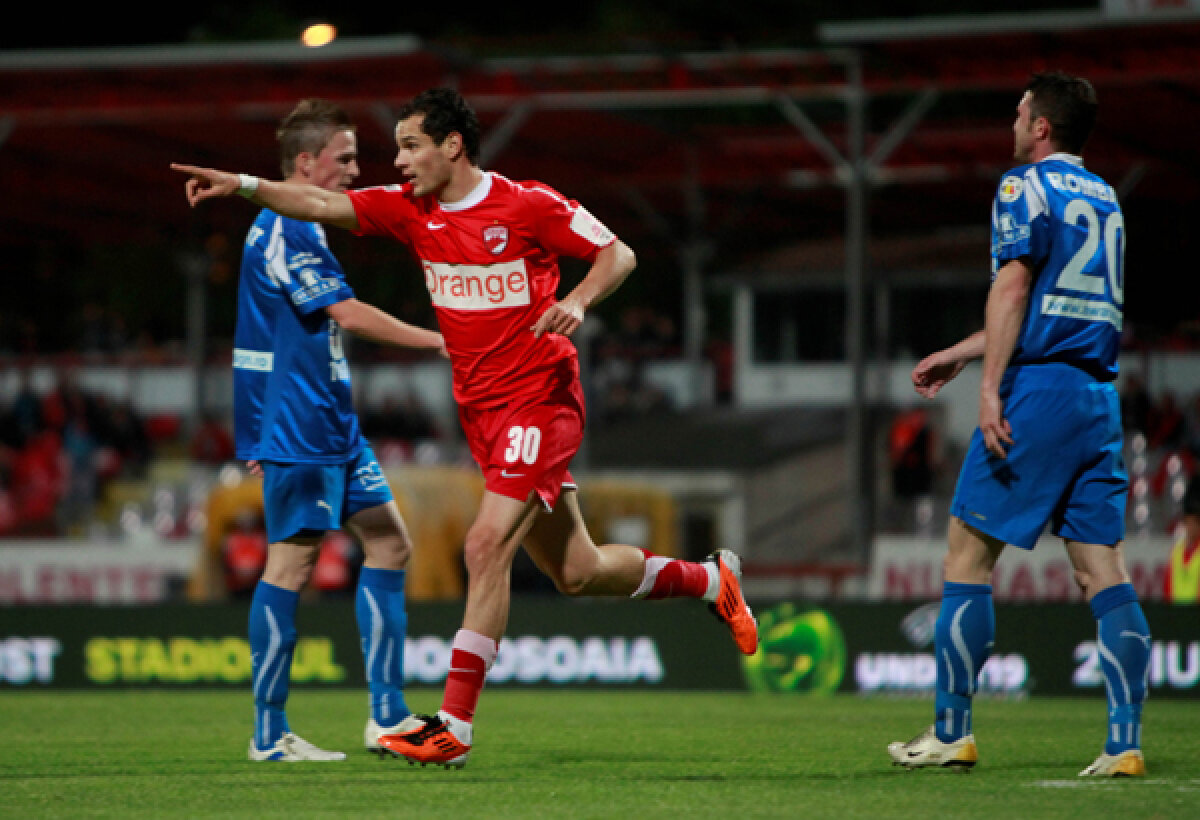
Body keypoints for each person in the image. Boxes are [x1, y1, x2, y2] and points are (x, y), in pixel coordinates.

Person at [174, 87, 758, 769]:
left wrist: (576, 298)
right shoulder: (411, 211)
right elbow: (319, 203)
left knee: (483, 547)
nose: (397, 161)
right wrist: (243, 185)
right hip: (484, 414)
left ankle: (452, 726)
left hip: (540, 400)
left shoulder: (528, 204)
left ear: (453, 145)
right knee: (577, 569)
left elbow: (618, 255)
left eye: (411, 145)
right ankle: (710, 581)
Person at [888, 72, 1151, 778]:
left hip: (1037, 394)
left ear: (1040, 127)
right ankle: (1124, 745)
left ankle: (952, 731)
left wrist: (989, 391)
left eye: (1018, 112)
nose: (1012, 121)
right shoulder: (1106, 198)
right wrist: (961, 353)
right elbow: (1056, 312)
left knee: (965, 559)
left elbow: (1013, 288)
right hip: (1097, 398)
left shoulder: (1022, 187)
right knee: (1103, 571)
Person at [221, 99, 446, 762]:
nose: (355, 168)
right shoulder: (286, 228)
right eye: (344, 158)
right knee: (291, 563)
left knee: (390, 543)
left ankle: (386, 716)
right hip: (298, 423)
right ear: (305, 164)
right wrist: (442, 341)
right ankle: (269, 732)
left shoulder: (304, 228)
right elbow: (346, 313)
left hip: (331, 422)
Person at [1165, 475, 1200, 603]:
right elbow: (1168, 585)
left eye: (1193, 524)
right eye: (1187, 523)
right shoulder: (1177, 551)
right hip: (1177, 615)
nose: (1190, 528)